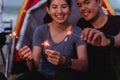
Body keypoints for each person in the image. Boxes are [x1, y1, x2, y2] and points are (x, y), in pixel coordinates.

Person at [16, 0, 88, 80]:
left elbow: (84, 65)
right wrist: (28, 59)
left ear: (70, 9)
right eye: (54, 7)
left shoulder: (77, 32)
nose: (60, 11)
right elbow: (34, 68)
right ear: (48, 10)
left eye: (64, 7)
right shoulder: (41, 31)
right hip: (42, 76)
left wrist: (65, 61)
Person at [76, 0, 120, 80]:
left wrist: (109, 40)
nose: (82, 8)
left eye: (87, 2)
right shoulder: (80, 25)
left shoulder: (117, 21)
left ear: (100, 2)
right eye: (79, 5)